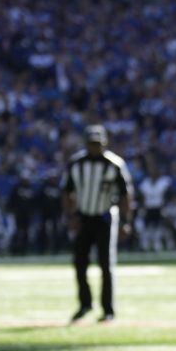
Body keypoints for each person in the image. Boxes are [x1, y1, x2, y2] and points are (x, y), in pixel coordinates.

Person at [62, 124, 133, 324]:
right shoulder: (76, 164)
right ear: (86, 144)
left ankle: (108, 309)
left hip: (105, 217)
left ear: (105, 144)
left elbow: (126, 195)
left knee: (106, 265)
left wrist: (126, 221)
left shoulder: (114, 164)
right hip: (84, 217)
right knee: (79, 263)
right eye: (92, 144)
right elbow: (66, 191)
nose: (95, 148)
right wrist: (70, 216)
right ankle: (85, 304)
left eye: (98, 144)